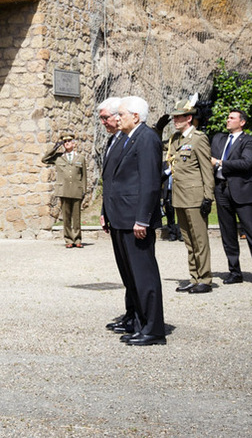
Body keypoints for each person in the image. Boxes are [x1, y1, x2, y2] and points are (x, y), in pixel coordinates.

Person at [102, 96, 166, 346]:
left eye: (122, 114)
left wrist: (143, 219)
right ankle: (140, 323)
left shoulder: (147, 138)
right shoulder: (130, 137)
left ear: (136, 117)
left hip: (135, 220)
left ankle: (153, 329)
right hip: (122, 217)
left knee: (144, 275)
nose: (118, 118)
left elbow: (150, 182)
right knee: (132, 276)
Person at [210, 110, 252, 287]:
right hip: (222, 191)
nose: (228, 120)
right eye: (228, 117)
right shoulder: (218, 139)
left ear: (242, 122)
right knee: (228, 235)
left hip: (243, 193)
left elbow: (246, 163)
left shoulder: (250, 141)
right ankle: (234, 272)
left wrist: (219, 163)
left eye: (232, 118)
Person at [97, 97, 138, 336]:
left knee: (134, 271)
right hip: (115, 213)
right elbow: (109, 182)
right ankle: (130, 313)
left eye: (106, 117)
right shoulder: (114, 140)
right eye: (101, 118)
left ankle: (136, 316)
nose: (103, 122)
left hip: (129, 214)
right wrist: (105, 210)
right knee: (125, 270)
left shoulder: (128, 140)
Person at [166, 96, 214, 294]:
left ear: (188, 119)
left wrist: (208, 197)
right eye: (175, 118)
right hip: (179, 197)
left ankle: (205, 279)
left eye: (180, 117)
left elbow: (206, 169)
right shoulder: (175, 139)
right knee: (188, 240)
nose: (176, 121)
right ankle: (194, 278)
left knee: (199, 240)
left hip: (195, 197)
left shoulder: (198, 138)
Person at [42, 134, 87, 248]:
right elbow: (44, 159)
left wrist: (84, 190)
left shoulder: (80, 158)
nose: (67, 143)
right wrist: (55, 147)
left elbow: (84, 176)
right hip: (64, 190)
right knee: (66, 217)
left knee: (76, 217)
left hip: (76, 190)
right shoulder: (58, 157)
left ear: (73, 143)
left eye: (69, 141)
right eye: (64, 141)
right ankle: (68, 240)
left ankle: (77, 239)